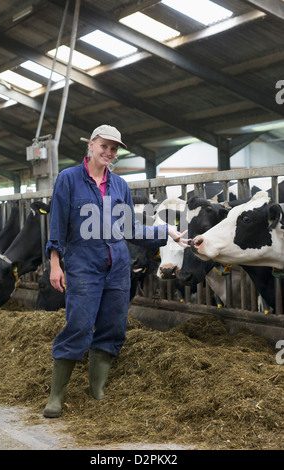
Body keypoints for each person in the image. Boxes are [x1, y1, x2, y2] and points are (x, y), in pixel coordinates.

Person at [43, 124, 189, 418]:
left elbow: (130, 229)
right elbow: (57, 223)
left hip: (117, 266)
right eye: (104, 146)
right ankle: (56, 396)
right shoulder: (69, 179)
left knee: (113, 327)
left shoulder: (120, 185)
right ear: (91, 145)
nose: (108, 152)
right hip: (83, 264)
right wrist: (55, 264)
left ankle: (96, 390)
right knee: (79, 325)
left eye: (113, 148)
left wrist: (166, 231)